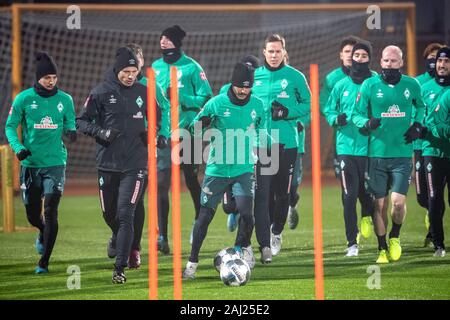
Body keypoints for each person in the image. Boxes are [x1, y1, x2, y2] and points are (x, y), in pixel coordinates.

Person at [77, 47, 169, 284]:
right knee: (110, 214)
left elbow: (157, 117)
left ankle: (120, 268)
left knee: (127, 213)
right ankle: (118, 237)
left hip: (136, 164)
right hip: (107, 164)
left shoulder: (144, 91)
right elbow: (82, 121)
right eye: (126, 71)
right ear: (117, 70)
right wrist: (101, 131)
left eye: (134, 71)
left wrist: (156, 134)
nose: (130, 75)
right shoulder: (100, 93)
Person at [182, 62, 265, 279]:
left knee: (248, 216)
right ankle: (192, 262)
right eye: (239, 86)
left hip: (244, 169)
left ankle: (240, 251)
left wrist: (266, 144)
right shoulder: (216, 103)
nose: (243, 90)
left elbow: (261, 128)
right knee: (204, 217)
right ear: (233, 83)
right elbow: (194, 130)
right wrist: (203, 123)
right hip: (217, 170)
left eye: (247, 87)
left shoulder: (257, 104)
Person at [352, 45, 425, 264]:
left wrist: (418, 125)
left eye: (393, 61)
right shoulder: (369, 85)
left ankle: (395, 236)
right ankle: (382, 247)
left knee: (398, 203)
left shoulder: (412, 84)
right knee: (380, 205)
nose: (389, 65)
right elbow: (355, 113)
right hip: (377, 155)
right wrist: (366, 122)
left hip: (402, 154)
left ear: (401, 63)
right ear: (380, 62)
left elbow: (421, 107)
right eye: (385, 61)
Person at [5, 52, 77, 274]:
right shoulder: (24, 99)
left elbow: (70, 122)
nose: (51, 81)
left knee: (51, 211)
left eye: (54, 77)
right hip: (31, 164)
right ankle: (41, 230)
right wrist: (18, 148)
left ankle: (43, 262)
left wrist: (71, 132)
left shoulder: (65, 100)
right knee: (32, 214)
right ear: (38, 78)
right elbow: (9, 126)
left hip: (55, 163)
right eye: (47, 77)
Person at [152, 25, 213, 252]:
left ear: (177, 42)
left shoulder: (191, 67)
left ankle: (199, 220)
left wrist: (182, 96)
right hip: (164, 136)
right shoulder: (155, 68)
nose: (163, 41)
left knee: (190, 179)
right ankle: (163, 238)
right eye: (162, 37)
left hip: (188, 132)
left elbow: (207, 97)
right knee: (161, 185)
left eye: (167, 38)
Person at [252, 34, 311, 260]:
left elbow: (308, 104)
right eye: (270, 51)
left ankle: (277, 232)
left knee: (283, 194)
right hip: (262, 145)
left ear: (284, 52)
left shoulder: (295, 76)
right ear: (264, 53)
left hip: (287, 143)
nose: (274, 55)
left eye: (278, 51)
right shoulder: (255, 76)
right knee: (263, 194)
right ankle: (265, 238)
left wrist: (288, 112)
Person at [323, 41, 376, 256]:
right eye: (357, 55)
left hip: (370, 147)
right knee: (348, 194)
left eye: (364, 56)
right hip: (345, 146)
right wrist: (337, 118)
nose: (360, 59)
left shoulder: (375, 83)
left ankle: (367, 214)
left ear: (369, 59)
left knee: (367, 193)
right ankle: (352, 243)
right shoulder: (340, 85)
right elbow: (328, 110)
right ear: (351, 58)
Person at [125, 43, 170, 267]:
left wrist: (163, 134)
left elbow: (166, 108)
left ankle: (135, 248)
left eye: (137, 58)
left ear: (142, 61)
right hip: (118, 153)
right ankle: (118, 235)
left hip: (145, 151)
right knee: (116, 205)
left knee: (138, 199)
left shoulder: (151, 85)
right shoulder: (112, 87)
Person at [218, 55, 260, 232]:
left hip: (249, 151)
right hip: (228, 152)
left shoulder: (257, 95)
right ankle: (233, 211)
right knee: (228, 206)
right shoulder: (224, 92)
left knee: (251, 194)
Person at [421, 46, 450, 257]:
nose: (441, 64)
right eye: (440, 61)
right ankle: (439, 245)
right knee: (433, 198)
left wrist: (430, 130)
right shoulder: (424, 88)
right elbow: (418, 118)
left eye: (447, 61)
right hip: (431, 151)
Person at [414, 43, 443, 246]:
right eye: (431, 57)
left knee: (436, 193)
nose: (435, 62)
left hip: (439, 148)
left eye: (438, 58)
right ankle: (430, 213)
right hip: (419, 145)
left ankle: (434, 230)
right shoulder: (418, 84)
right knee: (422, 195)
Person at [320, 35, 361, 179]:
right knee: (346, 182)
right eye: (347, 51)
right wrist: (336, 118)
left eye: (354, 52)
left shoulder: (370, 78)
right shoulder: (332, 79)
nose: (350, 55)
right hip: (343, 135)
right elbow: (323, 104)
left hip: (366, 136)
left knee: (372, 188)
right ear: (340, 55)